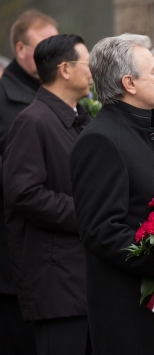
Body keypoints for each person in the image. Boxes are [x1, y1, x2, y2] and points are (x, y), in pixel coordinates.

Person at [70, 34, 154, 354]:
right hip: (133, 312)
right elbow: (102, 232)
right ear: (129, 83)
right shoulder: (101, 140)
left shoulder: (145, 130)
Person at [3, 34, 92, 355]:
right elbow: (23, 194)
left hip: (79, 277)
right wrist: (88, 215)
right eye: (87, 62)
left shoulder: (76, 118)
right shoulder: (32, 121)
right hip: (56, 283)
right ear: (65, 69)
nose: (93, 70)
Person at [0, 9, 58, 355]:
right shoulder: (4, 99)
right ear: (21, 49)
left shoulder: (56, 95)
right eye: (43, 46)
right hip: (13, 250)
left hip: (51, 252)